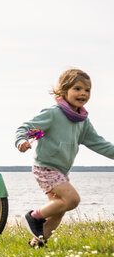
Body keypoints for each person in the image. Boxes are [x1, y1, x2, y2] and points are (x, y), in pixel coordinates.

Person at [16, 68, 114, 247]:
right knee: (72, 200)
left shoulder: (82, 121)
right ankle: (33, 216)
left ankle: (37, 243)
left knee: (59, 209)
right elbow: (27, 127)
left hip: (60, 171)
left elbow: (99, 143)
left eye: (87, 90)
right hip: (45, 167)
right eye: (77, 88)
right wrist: (21, 140)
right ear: (64, 91)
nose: (83, 93)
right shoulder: (53, 113)